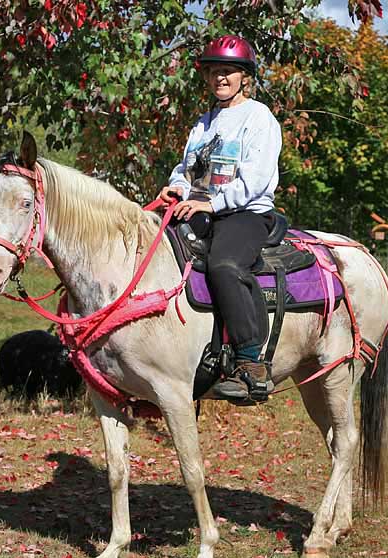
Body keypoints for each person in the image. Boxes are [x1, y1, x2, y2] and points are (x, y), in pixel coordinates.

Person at [159, 34, 282, 402]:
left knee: (225, 265)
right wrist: (178, 189)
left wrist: (212, 204)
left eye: (228, 71)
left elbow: (256, 180)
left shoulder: (259, 118)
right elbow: (187, 168)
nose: (220, 79)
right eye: (213, 72)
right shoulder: (203, 123)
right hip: (197, 209)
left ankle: (249, 361)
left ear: (245, 77)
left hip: (245, 213)